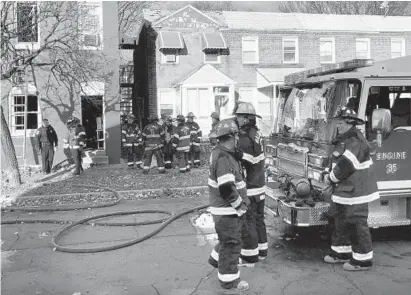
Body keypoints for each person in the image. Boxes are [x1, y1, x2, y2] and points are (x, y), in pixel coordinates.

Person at [323, 106, 379, 271]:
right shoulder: (344, 140)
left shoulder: (355, 141)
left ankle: (363, 260)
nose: (338, 125)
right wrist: (327, 172)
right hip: (345, 190)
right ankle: (342, 252)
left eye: (340, 122)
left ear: (349, 123)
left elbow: (347, 165)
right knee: (340, 221)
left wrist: (330, 177)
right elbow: (336, 161)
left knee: (356, 223)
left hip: (357, 191)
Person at [207, 118, 250, 291]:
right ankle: (229, 280)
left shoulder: (221, 153)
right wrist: (240, 207)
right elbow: (226, 188)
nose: (238, 139)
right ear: (232, 136)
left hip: (224, 210)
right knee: (232, 243)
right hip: (227, 210)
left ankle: (216, 259)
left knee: (228, 240)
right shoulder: (224, 158)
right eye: (236, 136)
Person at [234, 102, 267, 261]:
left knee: (250, 221)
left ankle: (250, 255)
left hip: (251, 186)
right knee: (259, 219)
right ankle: (262, 251)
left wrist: (237, 155)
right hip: (260, 184)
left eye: (239, 116)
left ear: (246, 119)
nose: (237, 119)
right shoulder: (256, 133)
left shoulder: (244, 138)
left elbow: (248, 160)